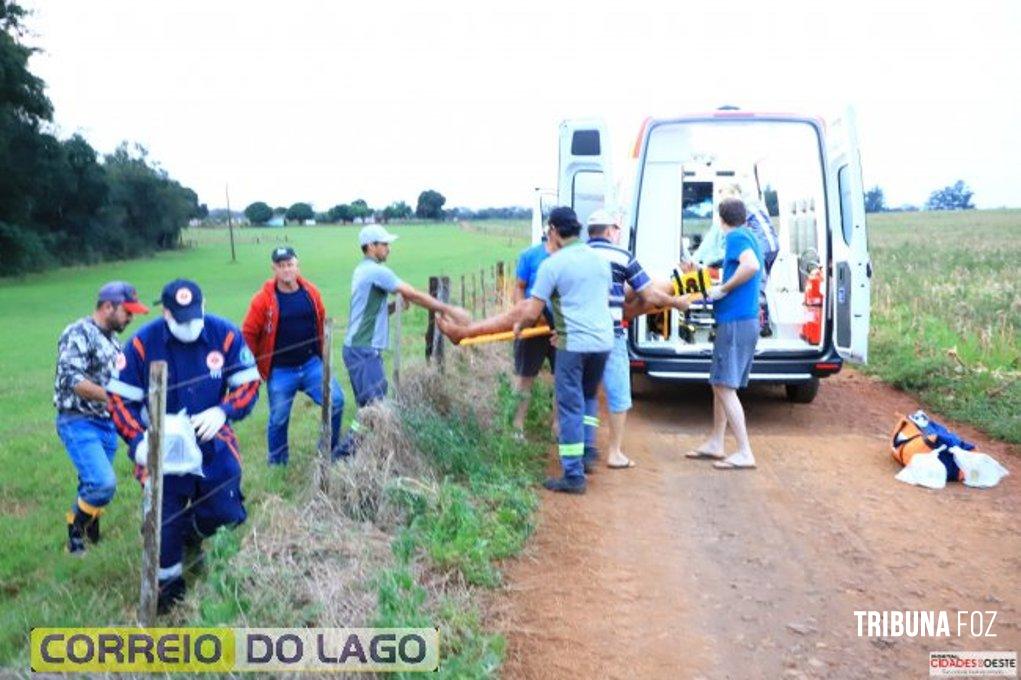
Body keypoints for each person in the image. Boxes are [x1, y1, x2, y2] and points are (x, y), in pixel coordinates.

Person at [107, 279, 261, 612]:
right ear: (166, 314)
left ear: (204, 306)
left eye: (195, 316)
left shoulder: (226, 335)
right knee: (164, 522)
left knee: (226, 511)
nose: (190, 326)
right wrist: (138, 442)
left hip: (213, 441)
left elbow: (249, 385)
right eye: (181, 319)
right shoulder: (141, 345)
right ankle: (168, 587)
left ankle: (197, 532)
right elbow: (119, 400)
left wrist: (224, 411)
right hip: (162, 450)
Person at [438, 207, 612, 494]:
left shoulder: (552, 264)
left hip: (574, 343)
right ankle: (587, 451)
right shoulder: (599, 260)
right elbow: (598, 300)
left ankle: (573, 475)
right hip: (603, 341)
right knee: (588, 396)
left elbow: (531, 309)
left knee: (569, 404)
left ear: (553, 230)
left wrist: (519, 327)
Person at [339, 225, 469, 452]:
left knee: (367, 409)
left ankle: (354, 454)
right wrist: (449, 310)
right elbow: (413, 293)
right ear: (371, 246)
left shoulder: (362, 270)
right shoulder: (376, 272)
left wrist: (391, 307)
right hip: (364, 350)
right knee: (376, 408)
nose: (388, 249)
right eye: (384, 244)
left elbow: (366, 312)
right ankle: (345, 456)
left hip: (358, 348)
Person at [586, 209, 690, 469]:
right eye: (617, 230)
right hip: (609, 333)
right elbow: (650, 295)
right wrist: (676, 302)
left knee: (580, 390)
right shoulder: (621, 256)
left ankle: (582, 447)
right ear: (610, 231)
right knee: (618, 392)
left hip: (578, 334)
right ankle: (614, 453)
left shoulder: (574, 255)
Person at [54, 281, 149, 554]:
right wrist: (114, 399)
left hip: (107, 423)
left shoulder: (114, 342)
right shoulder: (78, 332)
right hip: (79, 420)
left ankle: (91, 534)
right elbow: (71, 379)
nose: (131, 318)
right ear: (108, 307)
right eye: (127, 312)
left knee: (92, 482)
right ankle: (75, 532)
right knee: (102, 482)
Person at [242, 246, 344, 465]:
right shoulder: (263, 300)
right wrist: (250, 369)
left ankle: (328, 451)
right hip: (280, 370)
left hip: (311, 365)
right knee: (278, 418)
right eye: (281, 266)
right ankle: (278, 463)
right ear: (274, 269)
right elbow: (249, 333)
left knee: (336, 401)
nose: (286, 269)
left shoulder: (311, 293)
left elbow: (322, 320)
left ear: (297, 265)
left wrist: (323, 355)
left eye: (290, 264)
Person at [684, 198, 762, 470]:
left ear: (720, 220)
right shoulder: (750, 235)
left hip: (736, 322)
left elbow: (750, 266)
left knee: (723, 386)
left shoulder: (737, 237)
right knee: (721, 382)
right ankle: (717, 442)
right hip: (743, 320)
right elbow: (744, 265)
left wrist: (725, 288)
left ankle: (744, 451)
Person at [510, 229, 556, 435]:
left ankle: (558, 426)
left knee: (563, 377)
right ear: (550, 230)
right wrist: (522, 311)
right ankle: (517, 426)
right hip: (533, 325)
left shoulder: (570, 258)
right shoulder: (529, 255)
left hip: (562, 326)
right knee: (524, 375)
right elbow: (519, 286)